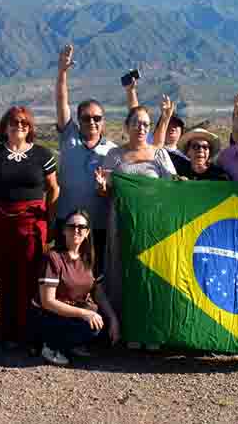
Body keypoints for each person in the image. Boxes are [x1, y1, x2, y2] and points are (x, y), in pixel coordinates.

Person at [0, 106, 59, 349]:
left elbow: (54, 189)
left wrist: (49, 219)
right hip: (1, 222)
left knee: (32, 275)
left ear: (30, 127)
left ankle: (31, 331)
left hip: (34, 224)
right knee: (7, 275)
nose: (19, 126)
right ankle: (8, 332)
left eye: (24, 123)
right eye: (14, 122)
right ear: (5, 126)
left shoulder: (43, 155)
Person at [94, 105, 177, 317]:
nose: (141, 128)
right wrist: (102, 187)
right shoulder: (115, 155)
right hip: (122, 222)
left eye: (146, 124)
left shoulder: (159, 154)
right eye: (137, 123)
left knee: (149, 269)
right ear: (127, 126)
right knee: (122, 267)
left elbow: (172, 189)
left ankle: (149, 322)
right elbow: (106, 191)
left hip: (152, 223)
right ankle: (121, 322)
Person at [54, 43, 118, 270]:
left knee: (95, 272)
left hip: (96, 225)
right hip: (65, 220)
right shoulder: (68, 135)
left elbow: (111, 191)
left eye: (97, 118)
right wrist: (62, 72)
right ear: (78, 120)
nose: (92, 121)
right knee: (64, 270)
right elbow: (61, 101)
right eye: (86, 117)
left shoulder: (112, 150)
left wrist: (103, 189)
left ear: (103, 121)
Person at [29, 210, 120, 365]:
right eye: (71, 226)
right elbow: (47, 302)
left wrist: (113, 319)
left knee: (104, 327)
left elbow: (98, 293)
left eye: (81, 227)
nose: (76, 230)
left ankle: (72, 343)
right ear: (64, 230)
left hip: (73, 314)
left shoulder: (88, 258)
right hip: (49, 316)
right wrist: (85, 314)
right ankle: (50, 347)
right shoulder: (53, 257)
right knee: (92, 327)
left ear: (87, 232)